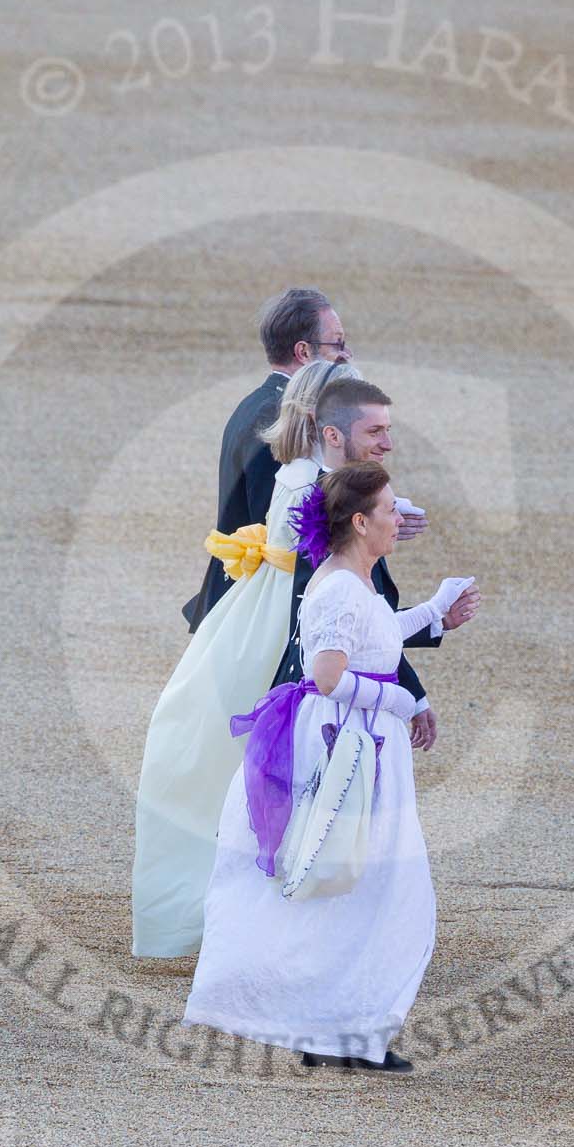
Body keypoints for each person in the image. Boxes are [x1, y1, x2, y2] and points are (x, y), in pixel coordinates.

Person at [184, 462, 472, 1073]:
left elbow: (377, 637)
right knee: (365, 883)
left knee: (361, 886)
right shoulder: (340, 585)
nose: (401, 519)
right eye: (392, 510)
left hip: (364, 745)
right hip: (347, 747)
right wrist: (395, 700)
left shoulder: (353, 581)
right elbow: (328, 674)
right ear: (361, 522)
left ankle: (338, 1029)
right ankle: (334, 1028)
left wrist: (434, 611)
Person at [132, 360, 357, 957]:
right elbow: (332, 575)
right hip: (280, 622)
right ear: (326, 421)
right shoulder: (317, 484)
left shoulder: (297, 471)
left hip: (248, 614)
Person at [271, 376, 478, 751]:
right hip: (336, 725)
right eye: (375, 431)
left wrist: (436, 616)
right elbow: (331, 653)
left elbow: (369, 621)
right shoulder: (328, 528)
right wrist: (402, 698)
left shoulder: (338, 511)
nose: (388, 443)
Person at [183, 288, 353, 632]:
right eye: (337, 344)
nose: (346, 355)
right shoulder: (278, 420)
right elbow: (282, 528)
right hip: (252, 612)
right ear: (304, 352)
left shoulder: (259, 404)